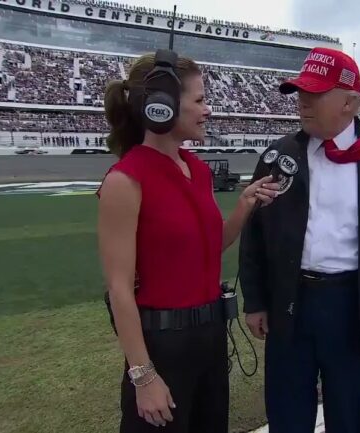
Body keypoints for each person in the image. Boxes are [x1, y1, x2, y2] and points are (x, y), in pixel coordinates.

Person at [96, 50, 280, 433]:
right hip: (161, 347)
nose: (207, 110)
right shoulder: (124, 180)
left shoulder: (197, 169)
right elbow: (118, 289)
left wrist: (244, 207)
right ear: (161, 106)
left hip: (209, 339)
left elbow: (206, 251)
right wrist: (143, 377)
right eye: (199, 100)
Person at [238, 47, 360, 433]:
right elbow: (255, 233)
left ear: (351, 102)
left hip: (351, 305)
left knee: (350, 415)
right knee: (287, 413)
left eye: (315, 93)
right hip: (290, 301)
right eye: (300, 92)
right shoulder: (279, 154)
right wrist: (254, 300)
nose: (303, 102)